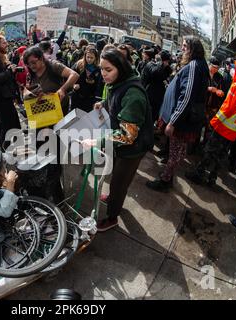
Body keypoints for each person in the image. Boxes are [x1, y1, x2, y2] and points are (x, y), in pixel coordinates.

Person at [86, 48, 153, 232]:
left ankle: (112, 217)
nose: (104, 74)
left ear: (121, 68)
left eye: (109, 70)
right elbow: (115, 99)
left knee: (119, 182)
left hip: (133, 148)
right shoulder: (118, 83)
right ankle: (114, 198)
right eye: (101, 69)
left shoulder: (133, 93)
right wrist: (103, 104)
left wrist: (97, 141)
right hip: (120, 145)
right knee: (115, 176)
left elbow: (127, 136)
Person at [146, 36, 210, 192]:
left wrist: (172, 122)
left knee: (175, 152)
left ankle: (165, 180)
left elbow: (187, 96)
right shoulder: (197, 65)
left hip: (182, 121)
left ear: (192, 49)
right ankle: (168, 175)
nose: (182, 49)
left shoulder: (194, 66)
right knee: (178, 152)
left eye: (185, 46)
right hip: (185, 119)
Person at [185, 60, 236, 187]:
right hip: (233, 132)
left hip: (223, 128)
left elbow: (227, 108)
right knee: (221, 156)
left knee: (209, 151)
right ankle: (212, 179)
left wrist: (215, 121)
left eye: (234, 69)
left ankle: (199, 175)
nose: (231, 70)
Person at [23, 46, 79, 115]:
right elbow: (28, 92)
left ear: (41, 58)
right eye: (28, 64)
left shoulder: (53, 66)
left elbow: (74, 75)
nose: (31, 66)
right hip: (42, 112)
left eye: (33, 62)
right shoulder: (30, 74)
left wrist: (62, 89)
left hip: (60, 110)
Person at [141, 50, 172, 123]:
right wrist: (161, 63)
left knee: (153, 115)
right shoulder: (151, 64)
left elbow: (167, 74)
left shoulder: (165, 68)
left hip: (158, 96)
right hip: (149, 93)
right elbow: (154, 72)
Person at [70, 47, 104, 112]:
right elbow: (71, 76)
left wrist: (94, 83)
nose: (89, 59)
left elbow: (100, 86)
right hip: (77, 96)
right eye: (87, 57)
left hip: (90, 99)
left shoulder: (99, 69)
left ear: (96, 58)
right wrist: (73, 85)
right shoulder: (78, 65)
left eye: (91, 58)